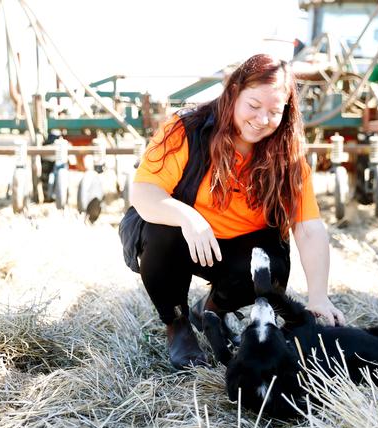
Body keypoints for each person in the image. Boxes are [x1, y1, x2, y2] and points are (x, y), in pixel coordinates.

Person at [121, 53, 345, 370]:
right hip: (184, 238)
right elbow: (143, 192)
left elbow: (308, 228)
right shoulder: (187, 129)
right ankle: (178, 325)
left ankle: (211, 310)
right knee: (160, 228)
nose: (262, 119)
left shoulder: (287, 155)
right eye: (253, 106)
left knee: (272, 266)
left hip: (238, 248)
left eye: (274, 111)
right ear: (233, 92)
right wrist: (189, 218)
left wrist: (319, 297)